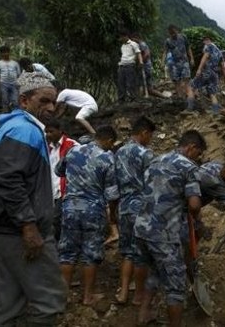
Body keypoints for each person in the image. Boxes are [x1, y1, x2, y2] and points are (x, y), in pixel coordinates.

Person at [0, 73, 67, 325]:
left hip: (7, 230)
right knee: (49, 300)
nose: (51, 108)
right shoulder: (23, 130)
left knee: (9, 303)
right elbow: (10, 180)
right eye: (44, 101)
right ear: (24, 100)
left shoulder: (14, 127)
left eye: (53, 102)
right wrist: (29, 226)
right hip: (20, 231)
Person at [133, 130, 206, 327]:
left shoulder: (156, 159)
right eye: (198, 154)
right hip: (164, 234)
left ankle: (144, 314)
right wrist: (198, 216)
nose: (197, 158)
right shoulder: (189, 167)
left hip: (141, 229)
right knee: (176, 286)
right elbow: (194, 205)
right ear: (191, 148)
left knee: (155, 271)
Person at [56, 124, 118, 306]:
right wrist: (112, 215)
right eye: (111, 143)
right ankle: (88, 296)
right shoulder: (107, 158)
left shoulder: (73, 151)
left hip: (69, 208)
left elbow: (58, 171)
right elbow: (112, 194)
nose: (111, 146)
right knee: (90, 254)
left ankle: (63, 297)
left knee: (67, 253)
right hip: (93, 210)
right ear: (107, 139)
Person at [114, 116, 156, 306]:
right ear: (144, 133)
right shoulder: (145, 154)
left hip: (123, 207)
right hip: (140, 207)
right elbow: (152, 184)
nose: (151, 140)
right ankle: (138, 295)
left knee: (127, 253)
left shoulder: (119, 152)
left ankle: (123, 293)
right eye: (150, 136)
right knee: (141, 254)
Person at [45, 118, 78, 241]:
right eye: (46, 132)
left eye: (51, 131)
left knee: (57, 219)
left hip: (65, 190)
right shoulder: (48, 148)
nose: (48, 134)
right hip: (52, 190)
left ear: (60, 131)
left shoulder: (72, 145)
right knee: (54, 220)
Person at [186, 36, 223, 114]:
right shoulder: (219, 52)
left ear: (208, 40)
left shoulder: (208, 46)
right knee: (212, 94)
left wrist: (199, 69)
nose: (204, 43)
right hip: (214, 74)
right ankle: (215, 112)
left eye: (204, 41)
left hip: (207, 71)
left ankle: (189, 109)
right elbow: (221, 66)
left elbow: (205, 57)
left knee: (191, 86)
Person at [163, 25, 195, 99]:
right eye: (171, 33)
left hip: (184, 62)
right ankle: (181, 99)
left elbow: (188, 48)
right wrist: (163, 62)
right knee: (177, 82)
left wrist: (192, 59)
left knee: (186, 82)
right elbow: (165, 52)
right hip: (175, 65)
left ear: (177, 31)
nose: (173, 35)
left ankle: (190, 101)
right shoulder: (168, 41)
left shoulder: (183, 37)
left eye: (174, 32)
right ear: (169, 33)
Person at [117, 31, 143, 102]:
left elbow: (138, 53)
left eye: (121, 37)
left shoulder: (133, 44)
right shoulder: (122, 46)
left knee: (130, 83)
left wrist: (140, 62)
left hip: (130, 66)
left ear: (125, 36)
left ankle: (133, 98)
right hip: (122, 66)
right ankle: (121, 99)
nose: (120, 39)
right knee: (121, 83)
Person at [0, 45, 21, 112]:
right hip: (3, 83)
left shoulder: (15, 63)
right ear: (1, 53)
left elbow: (19, 74)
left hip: (14, 83)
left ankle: (15, 115)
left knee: (15, 101)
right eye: (3, 52)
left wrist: (19, 83)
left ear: (9, 52)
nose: (5, 54)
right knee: (4, 100)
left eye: (7, 52)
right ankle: (5, 114)